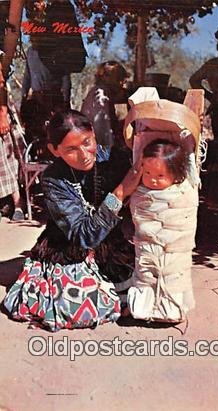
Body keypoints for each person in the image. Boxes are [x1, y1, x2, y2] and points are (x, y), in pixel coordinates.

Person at [4, 110, 142, 331]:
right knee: (77, 306)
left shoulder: (111, 159)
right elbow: (83, 236)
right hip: (69, 250)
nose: (84, 154)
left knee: (146, 279)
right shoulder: (53, 179)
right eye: (71, 149)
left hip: (110, 247)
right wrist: (119, 193)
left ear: (94, 135)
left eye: (87, 142)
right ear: (54, 150)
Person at [127, 139, 198, 323]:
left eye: (160, 175)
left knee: (172, 270)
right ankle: (144, 305)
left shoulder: (183, 194)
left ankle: (171, 306)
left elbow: (186, 223)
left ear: (176, 176)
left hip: (173, 248)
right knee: (147, 268)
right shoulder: (140, 193)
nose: (152, 179)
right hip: (147, 247)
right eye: (147, 172)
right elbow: (139, 220)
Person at [20, 34, 71, 160]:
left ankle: (56, 162)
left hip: (54, 97)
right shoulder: (31, 52)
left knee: (55, 130)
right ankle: (39, 160)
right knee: (36, 130)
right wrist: (23, 96)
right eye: (32, 38)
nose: (34, 40)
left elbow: (65, 77)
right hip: (37, 97)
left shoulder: (56, 51)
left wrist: (65, 100)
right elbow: (27, 75)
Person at [81, 60, 130, 162]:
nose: (121, 83)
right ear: (106, 77)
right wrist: (106, 153)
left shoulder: (101, 92)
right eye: (118, 79)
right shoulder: (100, 93)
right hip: (98, 148)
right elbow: (101, 128)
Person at [0, 50, 24, 221]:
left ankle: (18, 205)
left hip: (1, 115)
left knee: (7, 161)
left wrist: (2, 115)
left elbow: (0, 86)